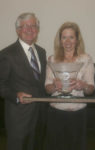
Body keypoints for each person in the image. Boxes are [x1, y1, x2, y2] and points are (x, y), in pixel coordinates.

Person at [0, 12, 47, 150]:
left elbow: (40, 82)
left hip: (40, 114)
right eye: (25, 26)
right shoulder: (6, 54)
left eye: (33, 26)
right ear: (18, 29)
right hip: (19, 116)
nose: (30, 29)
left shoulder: (41, 52)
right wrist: (16, 95)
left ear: (37, 30)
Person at [45, 21, 95, 150]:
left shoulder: (86, 59)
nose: (67, 41)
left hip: (78, 115)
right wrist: (55, 86)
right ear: (60, 40)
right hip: (56, 114)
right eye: (64, 37)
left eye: (71, 37)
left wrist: (83, 85)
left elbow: (91, 89)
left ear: (77, 40)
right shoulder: (52, 59)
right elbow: (47, 89)